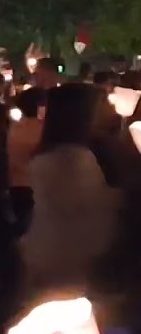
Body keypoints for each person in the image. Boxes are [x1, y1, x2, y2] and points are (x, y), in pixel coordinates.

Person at [22, 83, 120, 293]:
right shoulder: (72, 159)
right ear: (84, 113)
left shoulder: (61, 153)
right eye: (104, 104)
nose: (112, 109)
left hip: (51, 249)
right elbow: (89, 204)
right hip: (70, 259)